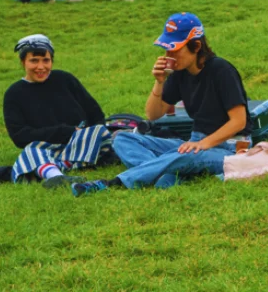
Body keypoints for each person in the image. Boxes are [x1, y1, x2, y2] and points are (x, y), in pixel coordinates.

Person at [71, 13, 253, 196]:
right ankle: (165, 172)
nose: (168, 56)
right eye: (166, 49)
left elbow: (239, 122)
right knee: (122, 139)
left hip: (229, 148)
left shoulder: (222, 70)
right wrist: (159, 81)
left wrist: (204, 144)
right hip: (194, 144)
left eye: (174, 50)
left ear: (196, 46)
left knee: (186, 155)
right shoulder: (180, 73)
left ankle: (113, 183)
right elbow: (153, 115)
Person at [2, 34, 113, 187]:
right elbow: (19, 136)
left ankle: (48, 167)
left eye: (46, 60)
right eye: (34, 61)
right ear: (23, 62)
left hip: (80, 143)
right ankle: (56, 176)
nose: (41, 67)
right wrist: (64, 131)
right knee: (31, 150)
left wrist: (82, 135)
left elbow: (95, 114)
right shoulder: (14, 94)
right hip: (46, 148)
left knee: (100, 132)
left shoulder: (65, 80)